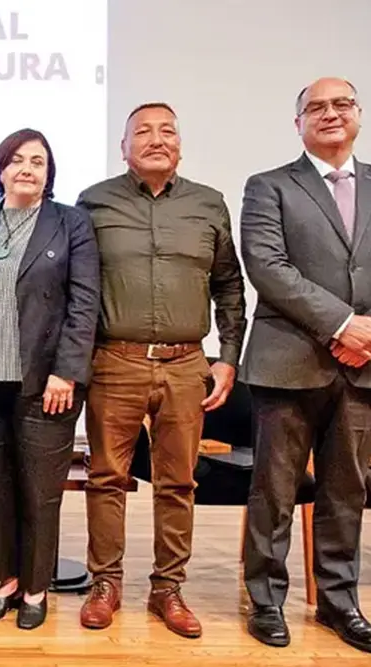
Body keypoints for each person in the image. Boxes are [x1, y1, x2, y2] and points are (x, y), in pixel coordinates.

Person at [75, 102, 246, 639]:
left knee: (178, 482)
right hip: (114, 362)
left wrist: (228, 357)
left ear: (180, 144)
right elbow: (75, 288)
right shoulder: (93, 203)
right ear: (122, 146)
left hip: (186, 365)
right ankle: (105, 584)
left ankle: (167, 589)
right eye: (142, 132)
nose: (156, 139)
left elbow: (230, 286)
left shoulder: (208, 203)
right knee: (106, 479)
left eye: (167, 130)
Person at [240, 77, 371, 655]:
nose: (330, 114)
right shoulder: (270, 186)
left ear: (359, 114)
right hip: (290, 362)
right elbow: (268, 266)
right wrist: (342, 324)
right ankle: (266, 599)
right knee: (273, 490)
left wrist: (369, 331)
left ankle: (339, 602)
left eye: (341, 104)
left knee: (346, 489)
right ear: (298, 121)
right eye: (316, 107)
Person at [0, 129, 99, 630]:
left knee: (41, 491)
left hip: (47, 383)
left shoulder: (71, 224)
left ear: (49, 173)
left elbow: (85, 305)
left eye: (37, 161)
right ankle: (4, 583)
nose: (26, 169)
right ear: (0, 170)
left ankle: (36, 588)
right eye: (16, 160)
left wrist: (68, 370)